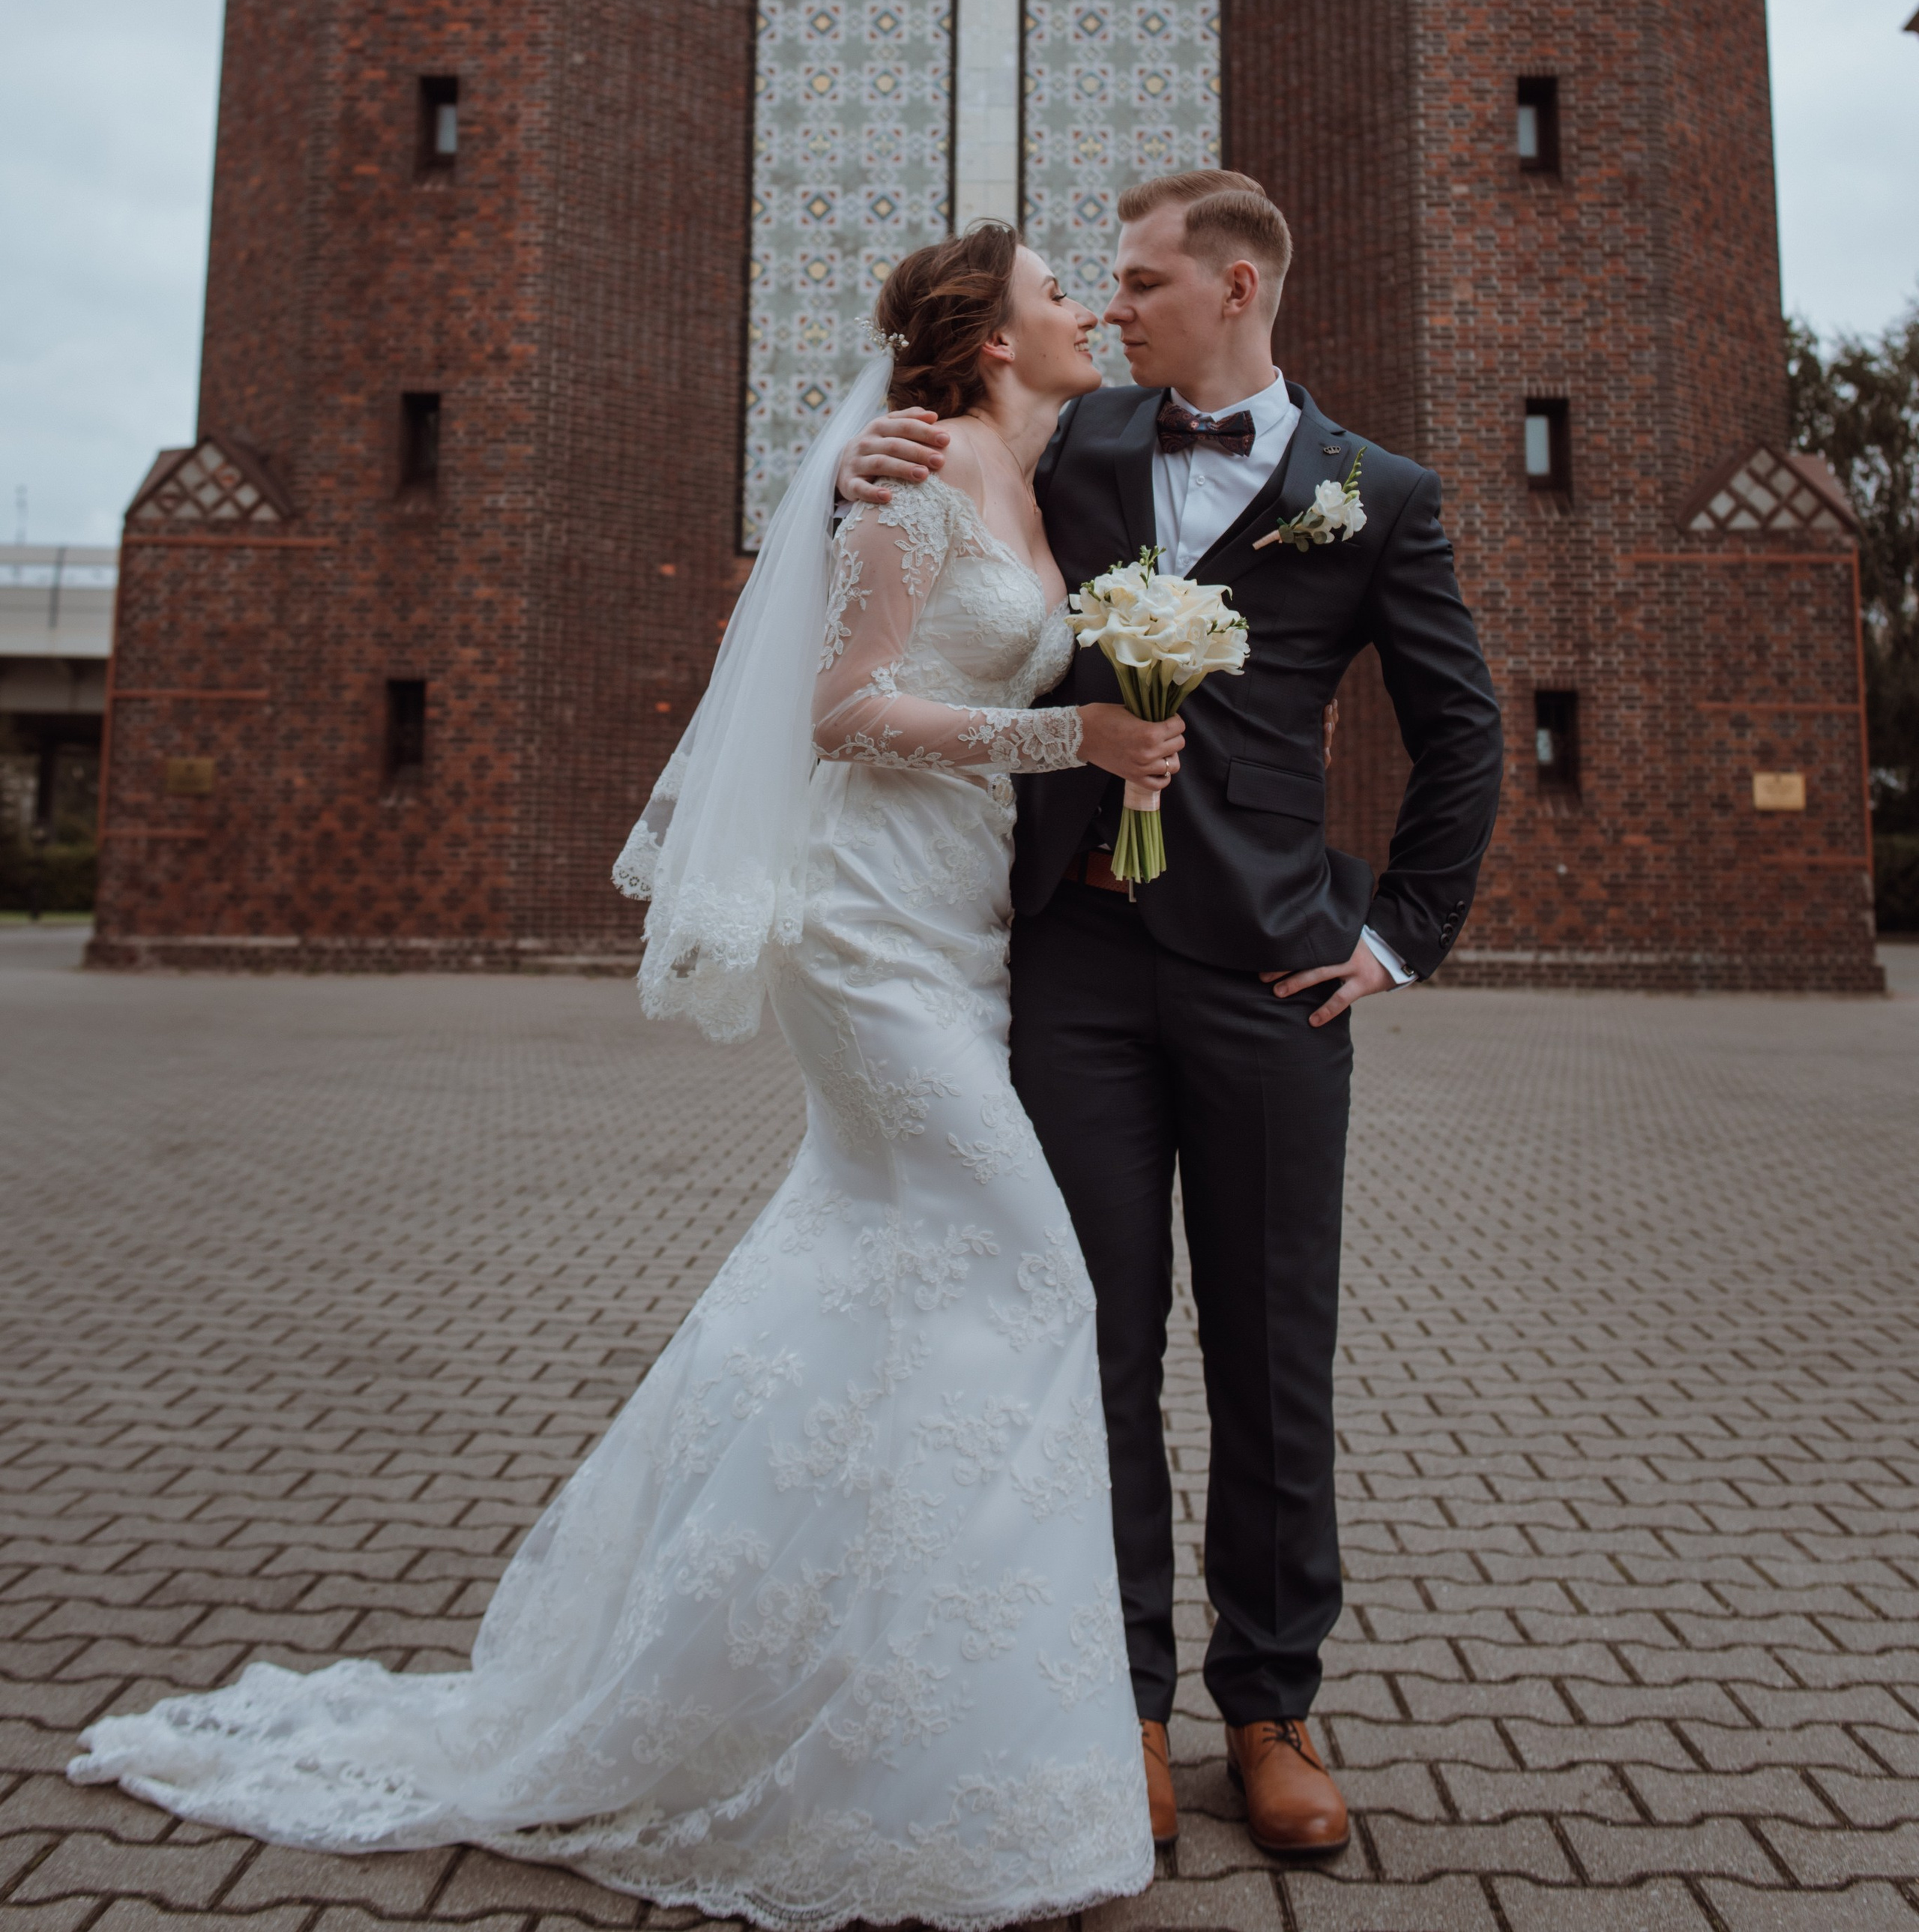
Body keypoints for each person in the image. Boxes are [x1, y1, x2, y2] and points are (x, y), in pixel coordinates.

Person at [69, 225, 1173, 1931]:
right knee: (1024, 1272)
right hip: (864, 935)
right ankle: (955, 1741)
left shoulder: (1039, 466)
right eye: (1059, 288)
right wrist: (1065, 738)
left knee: (873, 1277)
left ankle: (827, 1684)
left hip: (959, 931)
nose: (1090, 306)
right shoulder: (914, 475)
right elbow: (838, 706)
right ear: (988, 329)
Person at [839, 169, 1504, 1857]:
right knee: (1099, 1347)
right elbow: (941, 499)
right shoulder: (1079, 442)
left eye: (1139, 279)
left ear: (1233, 287)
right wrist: (868, 464)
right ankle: (1121, 1703)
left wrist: (1396, 938)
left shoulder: (1381, 495)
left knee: (1272, 1355)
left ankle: (1267, 1706)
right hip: (1070, 965)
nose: (1114, 304)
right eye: (1104, 281)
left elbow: (1462, 733)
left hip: (1275, 977)